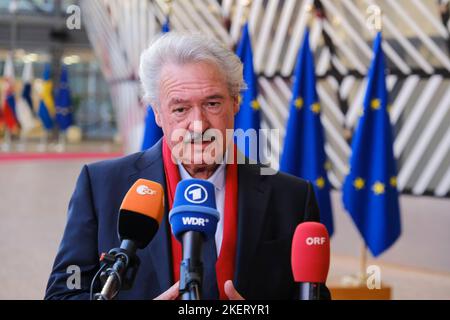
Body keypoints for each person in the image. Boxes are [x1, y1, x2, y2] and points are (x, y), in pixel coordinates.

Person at [45, 32, 330, 300]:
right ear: (157, 113)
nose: (198, 125)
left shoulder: (292, 198)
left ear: (235, 103)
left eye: (212, 104)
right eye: (180, 109)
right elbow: (63, 294)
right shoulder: (102, 187)